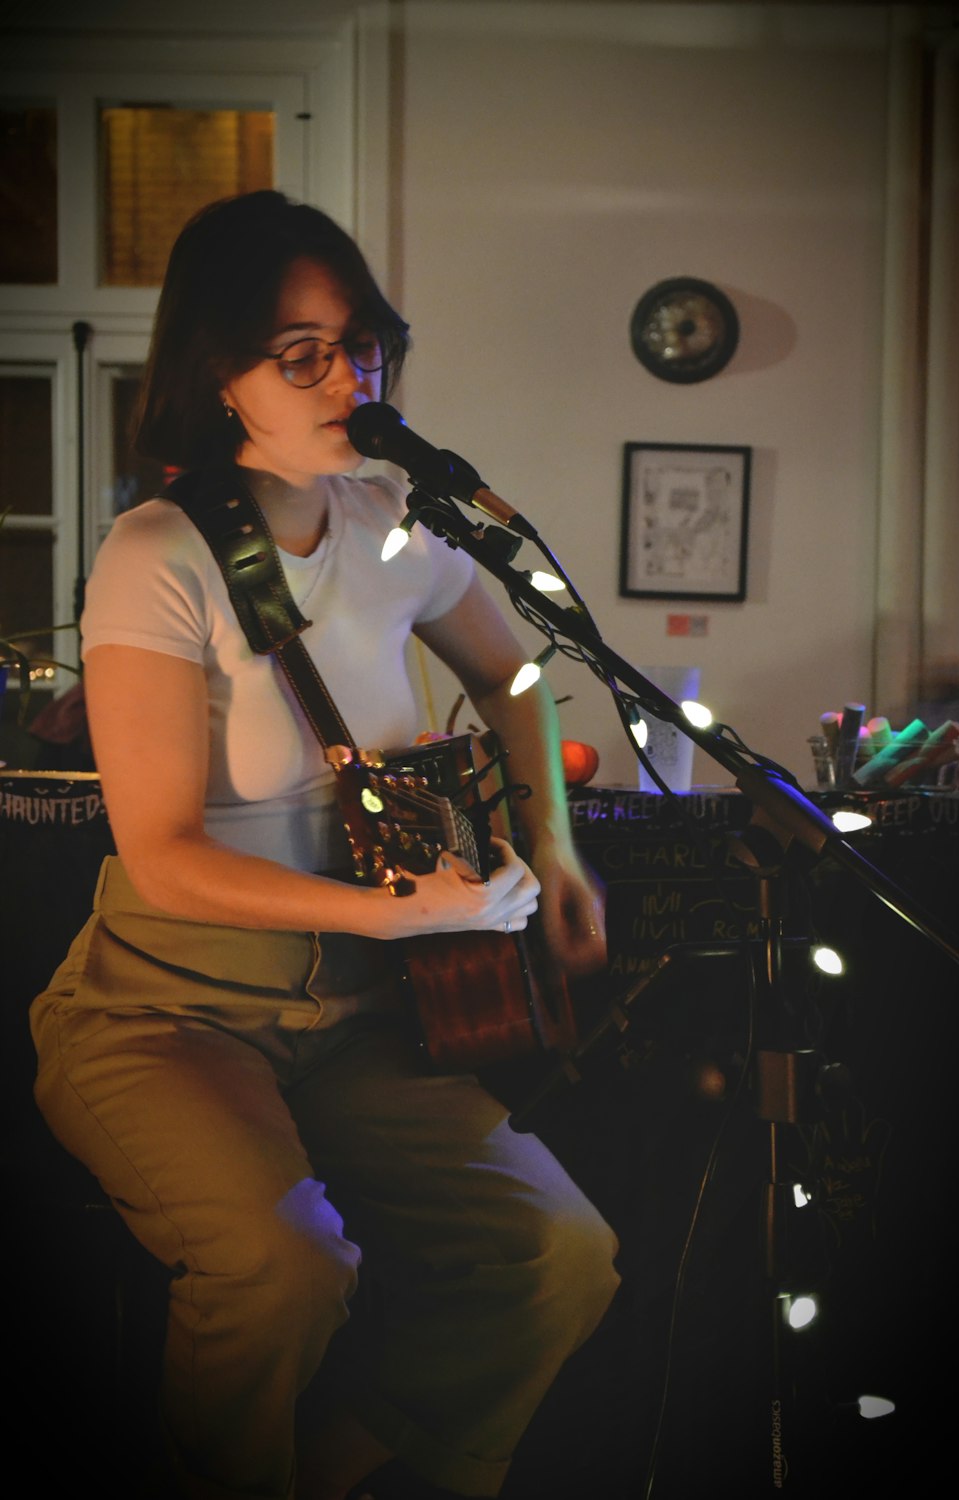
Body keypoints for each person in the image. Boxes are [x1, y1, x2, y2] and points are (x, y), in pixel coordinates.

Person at [29, 190, 619, 1500]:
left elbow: (516, 684)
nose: (346, 378)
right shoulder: (157, 552)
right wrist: (404, 916)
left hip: (356, 1019)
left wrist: (554, 849)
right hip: (165, 1016)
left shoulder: (391, 524)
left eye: (358, 345)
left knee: (560, 1256)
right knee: (285, 1263)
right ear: (218, 376)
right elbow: (167, 855)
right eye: (299, 352)